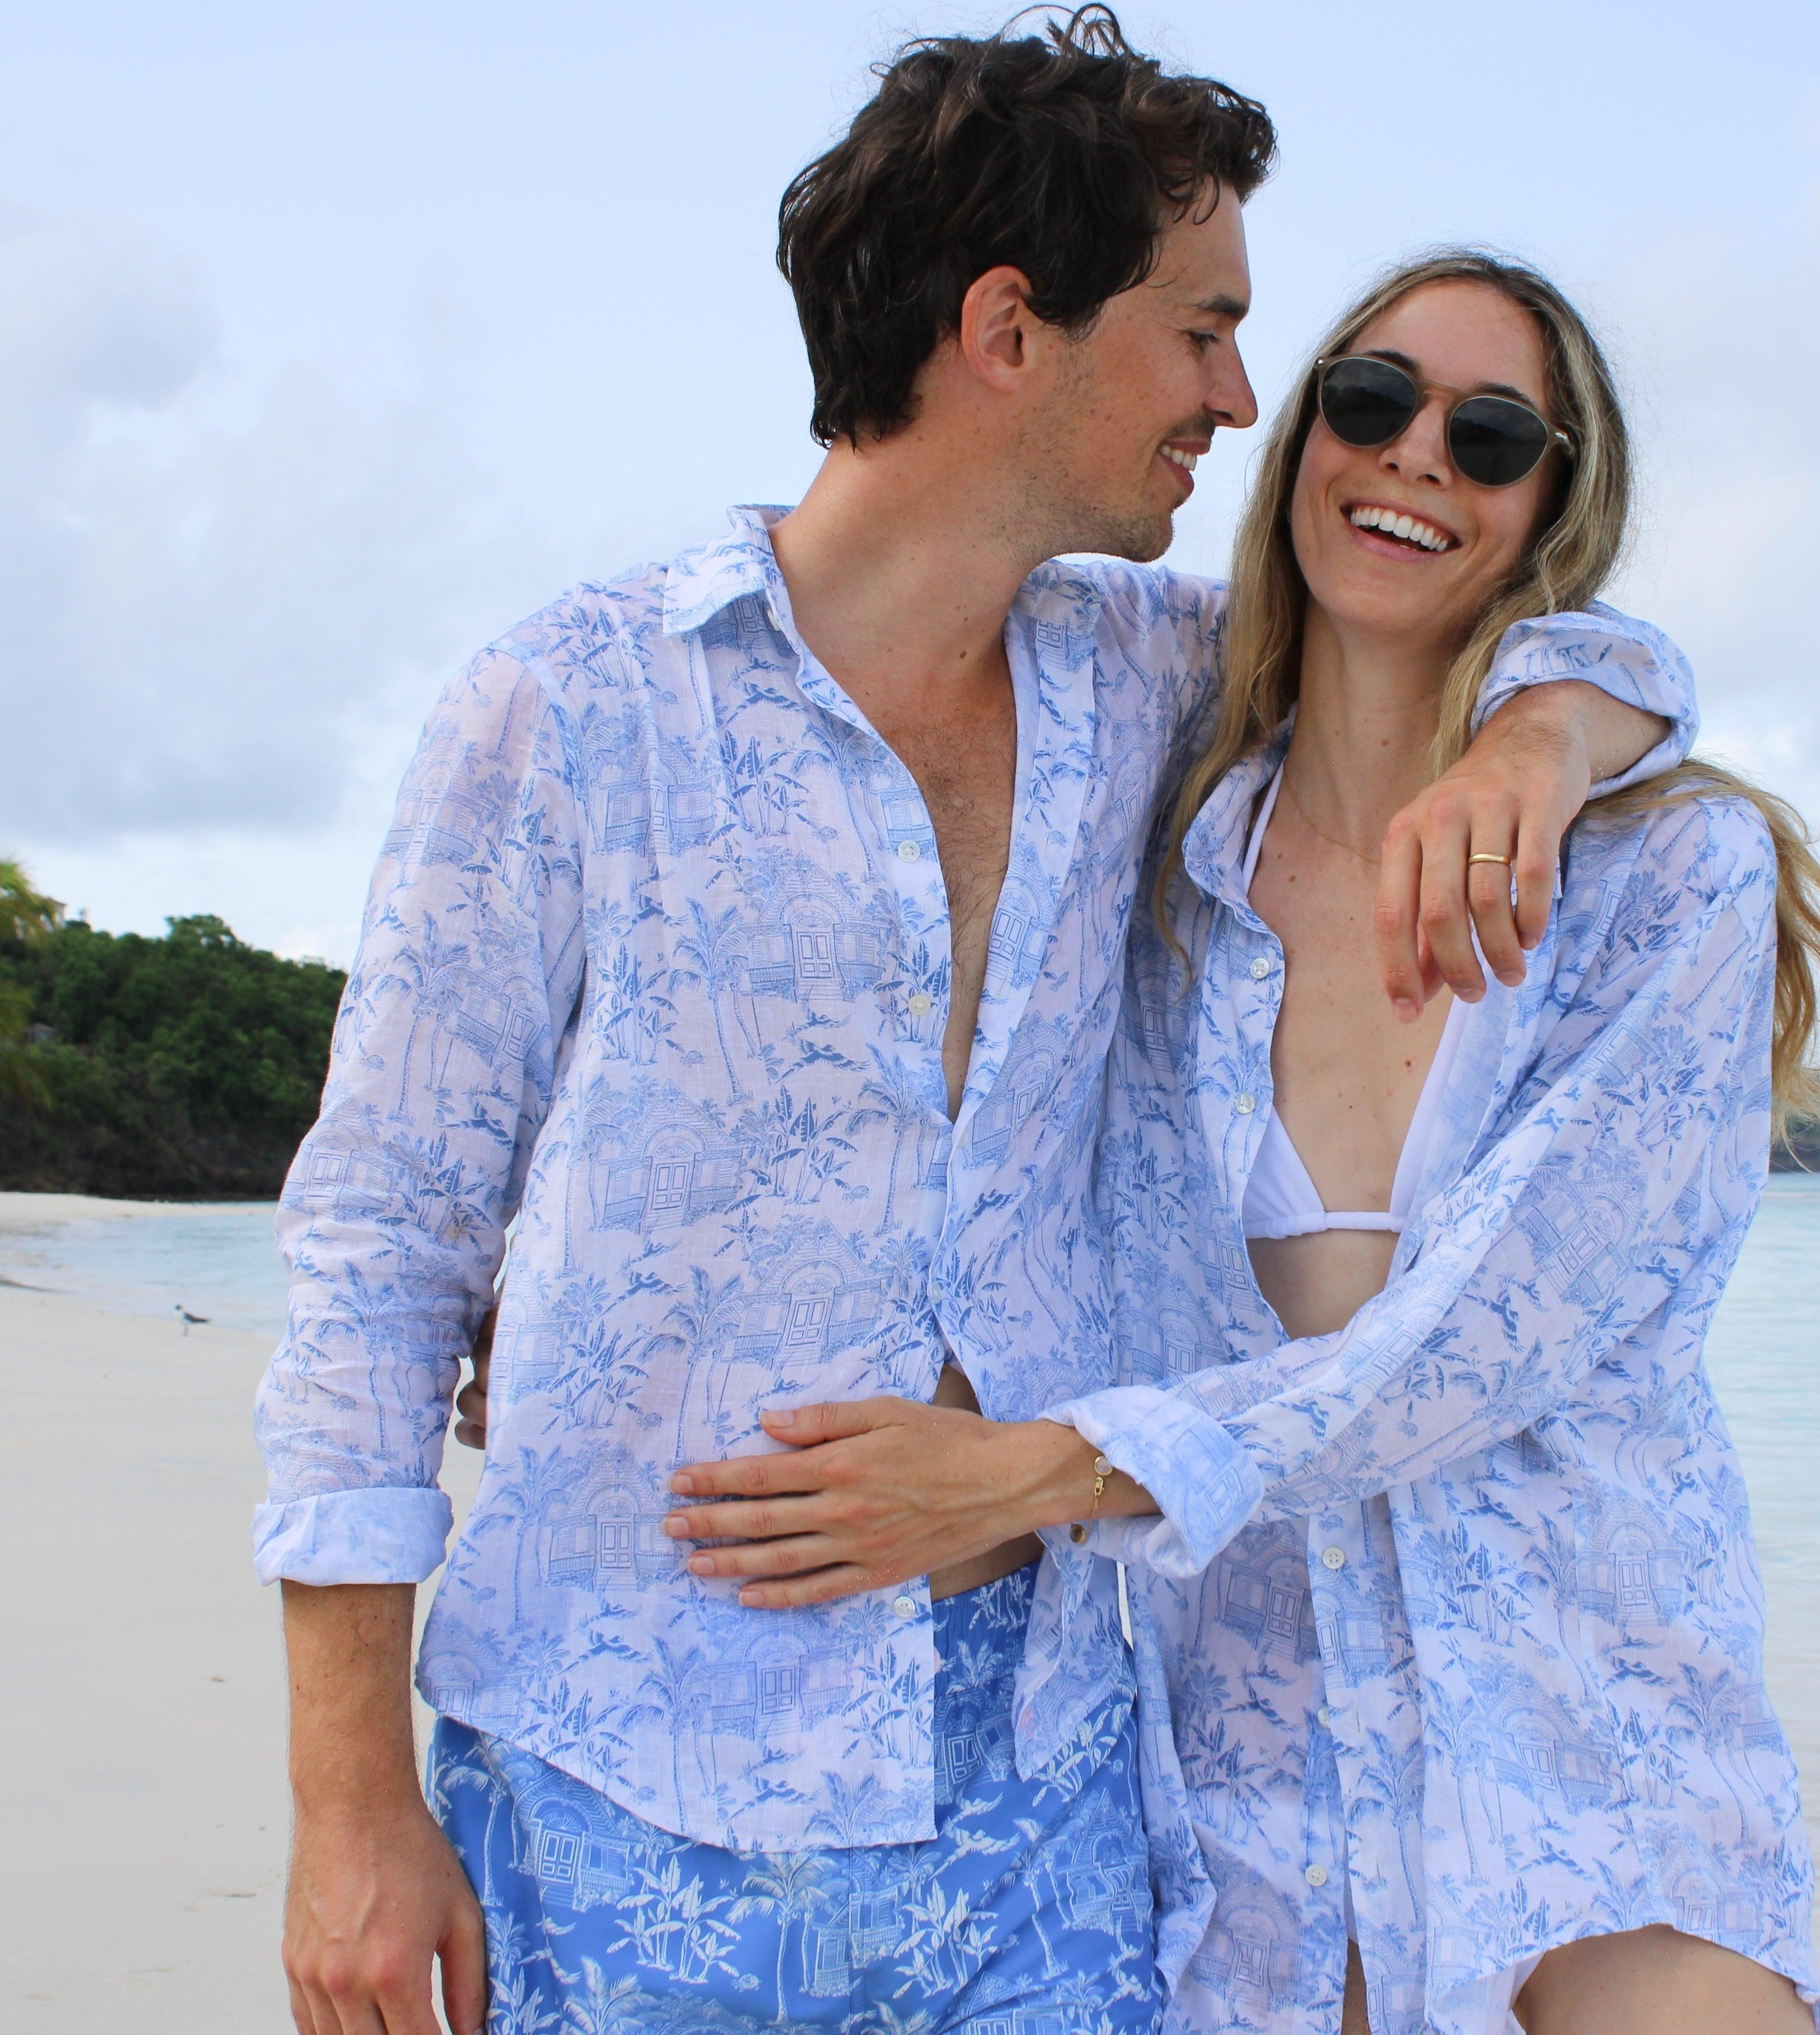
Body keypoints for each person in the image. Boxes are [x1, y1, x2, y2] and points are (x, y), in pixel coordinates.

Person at [254, 15, 1684, 2034]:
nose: (1239, 398)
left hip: (1048, 1809)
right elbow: (379, 1250)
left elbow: (1520, 609)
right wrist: (346, 1807)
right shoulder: (568, 708)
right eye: (1200, 330)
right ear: (1011, 329)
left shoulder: (1158, 682)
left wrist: (1548, 736)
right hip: (611, 1792)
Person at [679, 252, 1820, 2035]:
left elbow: (1476, 1347)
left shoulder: (1666, 876)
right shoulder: (1161, 864)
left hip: (1596, 1758)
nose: (1417, 459)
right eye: (1370, 401)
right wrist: (599, 1283)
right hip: (1247, 1813)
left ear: (1554, 503)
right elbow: (951, 1152)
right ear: (1301, 438)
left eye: (1493, 432)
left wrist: (1030, 1471)